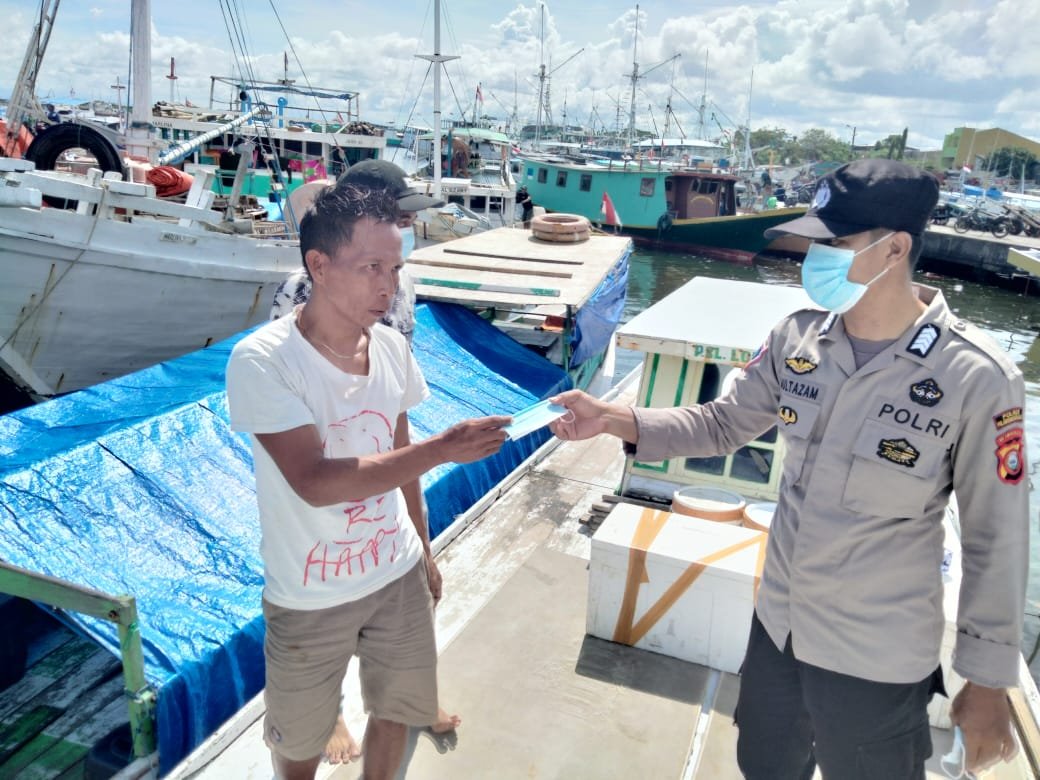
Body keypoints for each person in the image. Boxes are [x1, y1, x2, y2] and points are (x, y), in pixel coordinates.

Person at [549, 158, 1028, 779]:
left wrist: (987, 682)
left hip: (877, 657)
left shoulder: (977, 377)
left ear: (895, 249)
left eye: (834, 243)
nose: (814, 258)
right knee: (765, 764)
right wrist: (615, 418)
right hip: (779, 629)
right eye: (813, 242)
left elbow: (996, 539)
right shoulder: (795, 339)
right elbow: (723, 424)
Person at [226, 182, 509, 780]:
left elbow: (401, 456)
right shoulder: (263, 360)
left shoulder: (392, 348)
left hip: (396, 572)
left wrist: (424, 551)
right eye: (372, 268)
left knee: (397, 711)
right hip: (310, 595)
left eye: (396, 268)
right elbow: (314, 481)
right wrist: (444, 448)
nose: (389, 286)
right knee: (298, 746)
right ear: (319, 265)